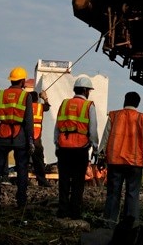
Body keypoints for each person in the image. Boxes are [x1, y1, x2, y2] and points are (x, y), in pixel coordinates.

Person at [98, 91, 143, 228]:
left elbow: (105, 137)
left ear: (124, 101)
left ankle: (110, 223)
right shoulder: (141, 118)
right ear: (137, 104)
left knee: (113, 194)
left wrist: (101, 157)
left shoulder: (114, 116)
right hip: (134, 163)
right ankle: (130, 226)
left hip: (115, 161)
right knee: (132, 194)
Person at [0, 66, 34, 208]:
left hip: (2, 135)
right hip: (20, 137)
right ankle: (21, 201)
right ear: (23, 81)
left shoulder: (0, 95)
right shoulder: (26, 96)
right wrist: (30, 140)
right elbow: (28, 121)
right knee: (22, 169)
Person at [54, 75, 98, 219]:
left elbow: (57, 126)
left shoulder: (64, 104)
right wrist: (95, 147)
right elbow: (92, 129)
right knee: (78, 182)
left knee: (64, 181)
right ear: (85, 90)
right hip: (80, 149)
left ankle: (62, 211)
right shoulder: (89, 105)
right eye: (89, 91)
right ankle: (75, 213)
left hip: (63, 148)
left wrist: (57, 144)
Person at [29, 89, 51, 187]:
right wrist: (45, 97)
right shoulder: (39, 106)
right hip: (36, 137)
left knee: (23, 159)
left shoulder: (26, 107)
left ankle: (23, 180)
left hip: (26, 136)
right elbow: (47, 107)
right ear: (37, 99)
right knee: (39, 160)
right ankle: (42, 181)